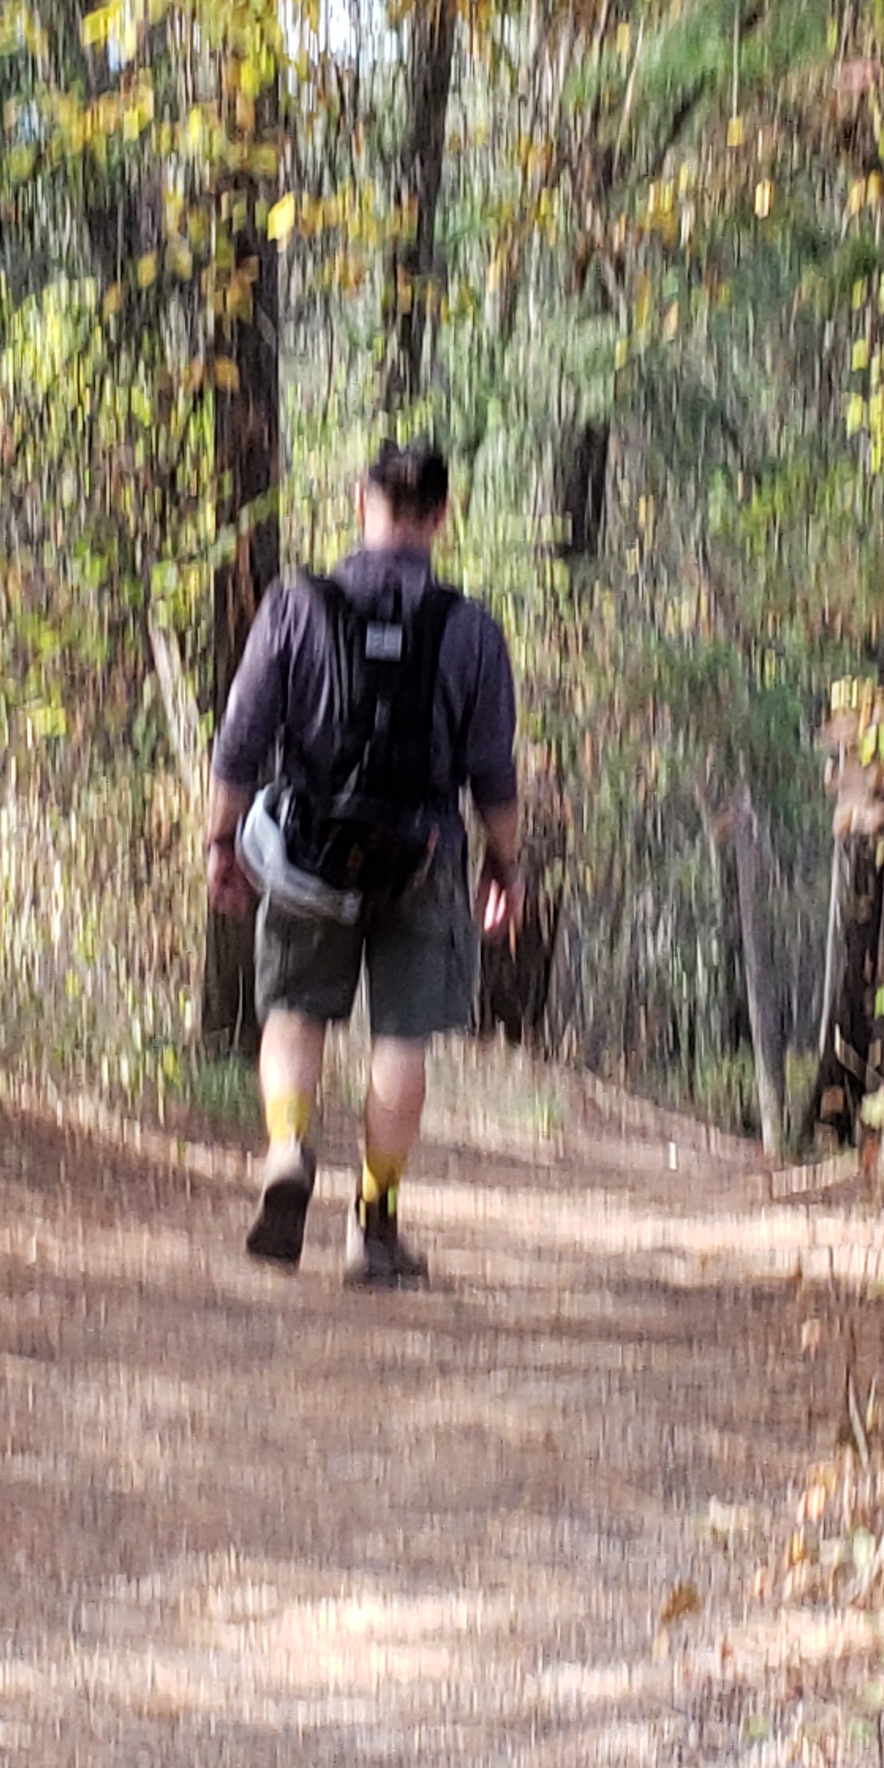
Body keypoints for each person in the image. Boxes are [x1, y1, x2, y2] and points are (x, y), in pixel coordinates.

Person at [203, 442, 524, 1287]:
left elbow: (239, 742)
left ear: (361, 505)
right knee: (401, 1039)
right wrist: (506, 865)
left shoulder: (295, 605)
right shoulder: (471, 630)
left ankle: (287, 1147)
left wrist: (221, 842)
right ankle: (374, 1226)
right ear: (442, 518)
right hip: (424, 857)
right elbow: (493, 774)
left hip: (309, 854)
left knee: (295, 1012)